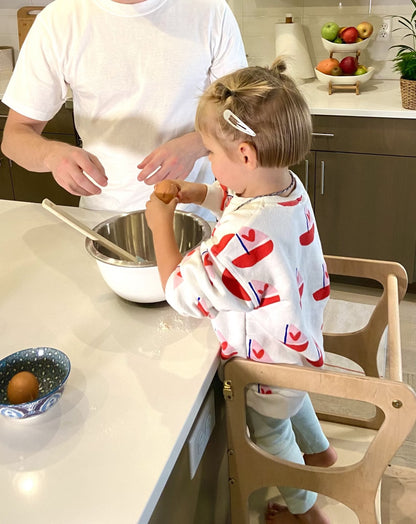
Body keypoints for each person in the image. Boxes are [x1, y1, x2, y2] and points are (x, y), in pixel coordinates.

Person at [145, 58, 337, 524]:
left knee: (271, 434)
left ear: (246, 155)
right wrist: (200, 193)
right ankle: (323, 457)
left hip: (265, 363)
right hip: (298, 345)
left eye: (210, 153)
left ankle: (307, 514)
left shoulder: (244, 240)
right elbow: (247, 200)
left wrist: (160, 227)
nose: (209, 162)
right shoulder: (287, 187)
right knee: (295, 400)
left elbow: (182, 292)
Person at [1, 0, 247, 217]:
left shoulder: (210, 11)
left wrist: (197, 143)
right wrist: (51, 155)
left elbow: (243, 117)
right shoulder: (60, 20)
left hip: (196, 215)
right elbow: (15, 136)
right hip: (104, 220)